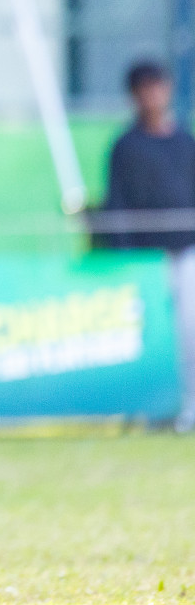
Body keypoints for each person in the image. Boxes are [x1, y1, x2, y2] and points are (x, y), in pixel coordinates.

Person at [99, 60, 195, 430]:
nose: (152, 95)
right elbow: (117, 205)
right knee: (153, 335)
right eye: (145, 88)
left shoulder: (185, 141)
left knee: (189, 332)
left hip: (186, 251)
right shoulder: (126, 147)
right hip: (148, 260)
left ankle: (188, 408)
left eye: (158, 86)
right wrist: (124, 258)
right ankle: (151, 410)